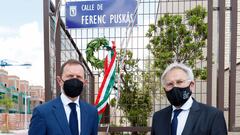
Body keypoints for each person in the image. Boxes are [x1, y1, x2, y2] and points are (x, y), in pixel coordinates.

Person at [151, 62, 227, 135]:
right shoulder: (158, 117)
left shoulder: (213, 116)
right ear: (164, 89)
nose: (175, 87)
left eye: (179, 82)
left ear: (191, 85)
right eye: (170, 84)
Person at [29, 59, 99, 135]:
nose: (74, 79)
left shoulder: (92, 112)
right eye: (70, 76)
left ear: (84, 83)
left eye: (78, 77)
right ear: (59, 81)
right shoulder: (42, 112)